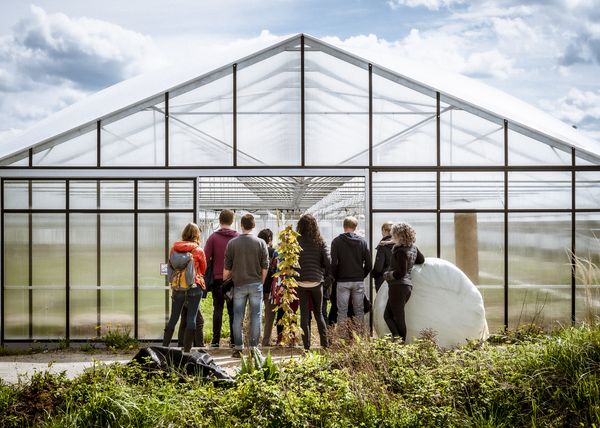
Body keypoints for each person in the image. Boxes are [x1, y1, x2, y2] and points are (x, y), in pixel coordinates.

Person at [224, 213, 269, 357]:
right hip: (256, 284)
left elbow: (226, 271)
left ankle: (238, 348)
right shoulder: (261, 243)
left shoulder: (232, 243)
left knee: (238, 317)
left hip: (239, 285)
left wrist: (228, 277)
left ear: (241, 226)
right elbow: (265, 267)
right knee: (255, 317)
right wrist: (260, 282)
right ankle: (254, 349)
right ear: (254, 226)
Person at [162, 223, 207, 352]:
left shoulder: (174, 249)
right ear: (197, 235)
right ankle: (187, 351)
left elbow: (170, 265)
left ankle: (164, 348)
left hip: (178, 286)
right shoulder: (198, 250)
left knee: (174, 317)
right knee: (191, 318)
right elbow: (203, 269)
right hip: (194, 285)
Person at [383, 222, 425, 343]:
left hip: (398, 287)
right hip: (406, 287)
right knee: (388, 316)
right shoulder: (413, 248)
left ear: (399, 236)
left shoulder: (401, 251)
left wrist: (387, 275)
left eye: (394, 235)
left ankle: (400, 343)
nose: (392, 237)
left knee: (398, 317)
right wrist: (410, 262)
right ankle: (397, 338)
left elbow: (400, 272)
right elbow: (421, 260)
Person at [204, 209, 239, 348]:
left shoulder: (213, 238)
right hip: (233, 280)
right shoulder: (237, 237)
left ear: (220, 220)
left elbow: (205, 258)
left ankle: (215, 341)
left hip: (218, 279)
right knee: (233, 310)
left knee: (217, 309)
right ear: (232, 221)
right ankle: (234, 340)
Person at [330, 216, 372, 328]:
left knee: (342, 311)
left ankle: (342, 339)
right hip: (358, 281)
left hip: (342, 281)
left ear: (344, 226)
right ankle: (359, 338)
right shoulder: (362, 242)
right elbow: (369, 265)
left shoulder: (336, 242)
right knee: (359, 310)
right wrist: (361, 276)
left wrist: (336, 276)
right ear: (355, 227)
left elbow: (333, 263)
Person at [296, 214, 330, 350]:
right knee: (319, 313)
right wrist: (323, 273)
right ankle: (324, 345)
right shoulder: (320, 241)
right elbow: (328, 262)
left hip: (301, 282)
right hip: (316, 282)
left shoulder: (296, 241)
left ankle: (306, 347)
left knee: (304, 316)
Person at [258, 229, 284, 347]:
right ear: (270, 240)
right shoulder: (274, 252)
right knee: (269, 317)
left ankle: (253, 341)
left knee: (255, 315)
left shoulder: (256, 251)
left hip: (257, 286)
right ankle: (265, 342)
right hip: (270, 289)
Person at [372, 221, 395, 292]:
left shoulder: (383, 245)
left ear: (385, 230)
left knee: (382, 302)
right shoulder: (399, 245)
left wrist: (373, 274)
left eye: (382, 231)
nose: (382, 233)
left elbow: (378, 267)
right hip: (396, 278)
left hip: (383, 279)